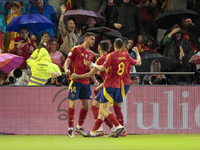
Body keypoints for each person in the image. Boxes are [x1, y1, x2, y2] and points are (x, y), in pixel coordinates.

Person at [85, 38, 141, 137]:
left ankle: (118, 127)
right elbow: (139, 63)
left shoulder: (111, 56)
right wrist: (137, 53)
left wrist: (93, 64)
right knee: (99, 107)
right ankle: (96, 131)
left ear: (114, 46)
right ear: (122, 46)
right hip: (117, 85)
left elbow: (102, 68)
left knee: (105, 109)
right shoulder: (126, 56)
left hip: (110, 84)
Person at [71, 41, 115, 137]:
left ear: (99, 48)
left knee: (102, 109)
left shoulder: (100, 60)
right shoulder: (110, 57)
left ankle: (116, 127)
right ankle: (103, 129)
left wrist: (77, 76)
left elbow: (90, 74)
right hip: (110, 84)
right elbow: (103, 71)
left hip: (107, 86)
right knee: (96, 107)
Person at [63, 32, 97, 137]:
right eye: (91, 39)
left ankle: (79, 127)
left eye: (94, 40)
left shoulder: (91, 54)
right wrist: (66, 69)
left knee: (86, 106)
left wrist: (94, 80)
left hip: (86, 82)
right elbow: (67, 61)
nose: (93, 41)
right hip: (75, 81)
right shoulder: (76, 49)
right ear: (86, 39)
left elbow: (90, 69)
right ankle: (70, 129)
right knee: (73, 104)